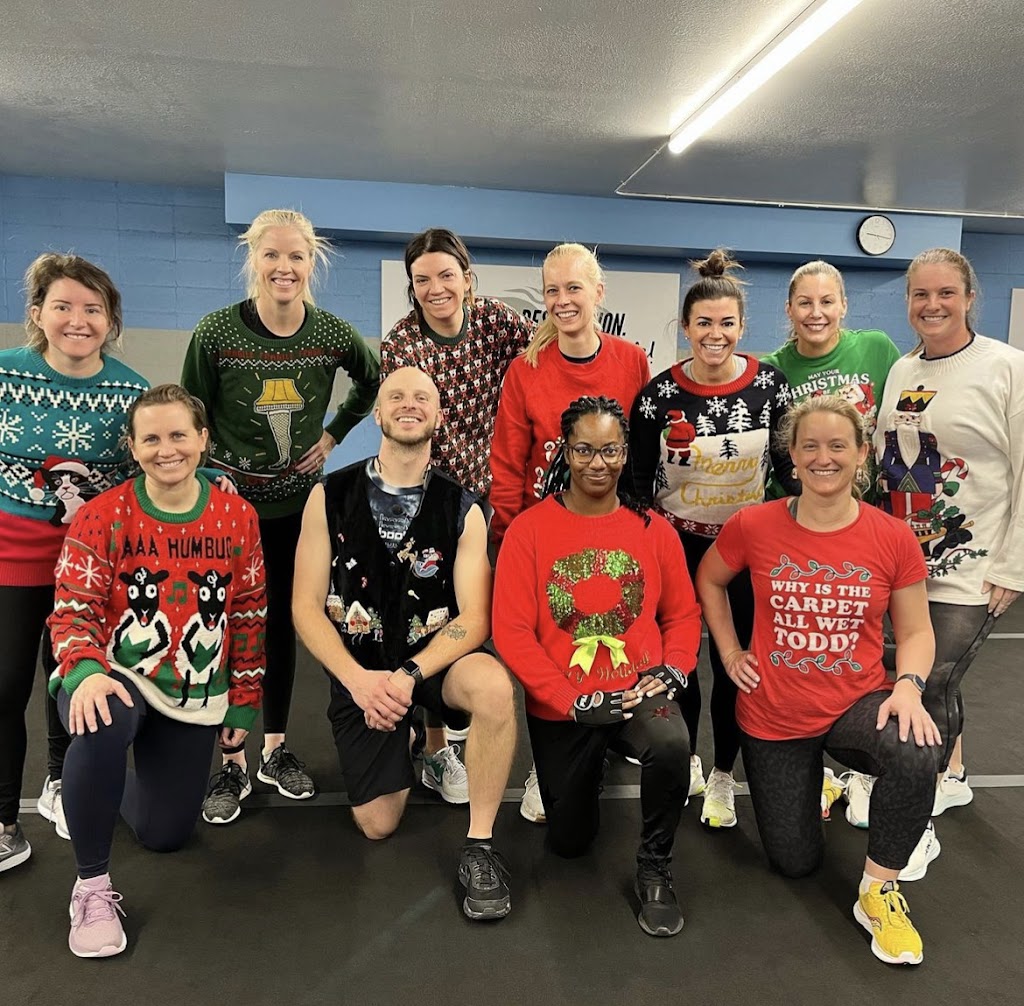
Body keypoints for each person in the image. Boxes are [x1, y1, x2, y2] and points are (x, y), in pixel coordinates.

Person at [697, 396, 941, 966]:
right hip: (775, 714)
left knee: (915, 748)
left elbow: (916, 631)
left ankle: (878, 891)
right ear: (792, 453)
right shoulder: (754, 524)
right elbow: (709, 580)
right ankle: (821, 787)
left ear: (862, 453)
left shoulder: (892, 537)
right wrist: (729, 651)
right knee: (795, 862)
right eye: (809, 446)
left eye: (837, 446)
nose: (823, 458)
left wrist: (908, 684)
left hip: (857, 703)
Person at [45, 384, 266, 957]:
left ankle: (94, 787)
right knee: (104, 720)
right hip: (111, 670)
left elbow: (248, 611)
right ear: (133, 447)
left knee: (165, 835)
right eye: (151, 439)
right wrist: (86, 671)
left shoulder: (237, 517)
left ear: (203, 439)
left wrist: (244, 700)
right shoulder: (101, 515)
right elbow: (72, 608)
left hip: (187, 687)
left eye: (178, 435)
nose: (166, 450)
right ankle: (91, 888)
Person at [292, 367, 517, 922]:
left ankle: (480, 846)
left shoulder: (463, 508)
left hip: (430, 665)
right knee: (378, 824)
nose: (408, 404)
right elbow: (305, 606)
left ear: (439, 416)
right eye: (395, 396)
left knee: (493, 688)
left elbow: (476, 617)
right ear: (377, 413)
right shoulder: (328, 495)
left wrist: (410, 676)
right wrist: (358, 681)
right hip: (362, 672)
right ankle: (414, 738)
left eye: (421, 397)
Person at [182, 208, 380, 822]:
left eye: (296, 256)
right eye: (272, 255)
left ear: (311, 262)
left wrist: (334, 434)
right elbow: (191, 414)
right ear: (254, 260)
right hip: (229, 512)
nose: (284, 267)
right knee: (226, 628)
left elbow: (371, 380)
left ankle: (273, 748)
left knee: (280, 629)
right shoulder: (216, 332)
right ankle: (231, 761)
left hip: (298, 509)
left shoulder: (332, 334)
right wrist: (208, 478)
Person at [493, 395, 701, 936]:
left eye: (609, 450)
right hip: (568, 705)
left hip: (636, 691)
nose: (597, 463)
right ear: (566, 451)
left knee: (671, 743)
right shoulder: (529, 531)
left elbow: (682, 615)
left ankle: (655, 868)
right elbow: (511, 632)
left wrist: (674, 668)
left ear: (625, 452)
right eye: (584, 450)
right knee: (569, 843)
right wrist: (571, 701)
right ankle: (595, 761)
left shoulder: (653, 529)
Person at [626, 249, 796, 830]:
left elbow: (787, 468)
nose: (714, 334)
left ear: (742, 328)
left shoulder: (770, 385)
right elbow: (637, 482)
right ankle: (690, 759)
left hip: (744, 551)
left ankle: (724, 771)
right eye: (703, 323)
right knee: (680, 661)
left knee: (733, 664)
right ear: (685, 327)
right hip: (677, 545)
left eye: (726, 323)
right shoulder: (657, 396)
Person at [488, 242, 650, 822]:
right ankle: (550, 758)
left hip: (613, 535)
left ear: (598, 293)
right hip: (545, 538)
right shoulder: (526, 370)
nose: (562, 300)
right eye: (552, 290)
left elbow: (641, 453)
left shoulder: (631, 361)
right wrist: (508, 539)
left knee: (610, 639)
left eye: (574, 288)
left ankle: (610, 737)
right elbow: (508, 463)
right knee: (549, 651)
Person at [0, 253, 149, 873]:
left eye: (94, 309)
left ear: (111, 320)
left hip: (90, 567)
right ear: (38, 313)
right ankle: (4, 821)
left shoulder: (131, 391)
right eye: (63, 306)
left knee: (69, 678)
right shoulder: (5, 374)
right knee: (5, 684)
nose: (78, 321)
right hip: (10, 557)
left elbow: (153, 468)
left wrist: (213, 482)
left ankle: (61, 782)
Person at [869, 247, 1024, 825]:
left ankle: (929, 784)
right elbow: (889, 458)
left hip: (974, 566)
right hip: (906, 562)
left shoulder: (1007, 367)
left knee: (933, 677)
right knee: (903, 671)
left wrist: (1014, 565)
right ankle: (951, 770)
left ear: (969, 298)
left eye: (945, 293)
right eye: (921, 294)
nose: (932, 305)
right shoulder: (904, 370)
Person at [381, 228, 535, 800]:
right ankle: (435, 746)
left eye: (447, 275)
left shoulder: (499, 322)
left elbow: (542, 364)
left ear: (467, 279)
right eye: (422, 280)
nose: (436, 288)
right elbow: (404, 421)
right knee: (429, 613)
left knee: (480, 615)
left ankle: (467, 730)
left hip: (493, 495)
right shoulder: (403, 343)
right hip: (429, 500)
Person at [761, 260, 900, 502]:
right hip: (796, 505)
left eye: (826, 302)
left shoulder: (877, 348)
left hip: (865, 506)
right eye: (805, 303)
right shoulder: (771, 371)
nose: (816, 313)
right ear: (789, 309)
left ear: (843, 306)